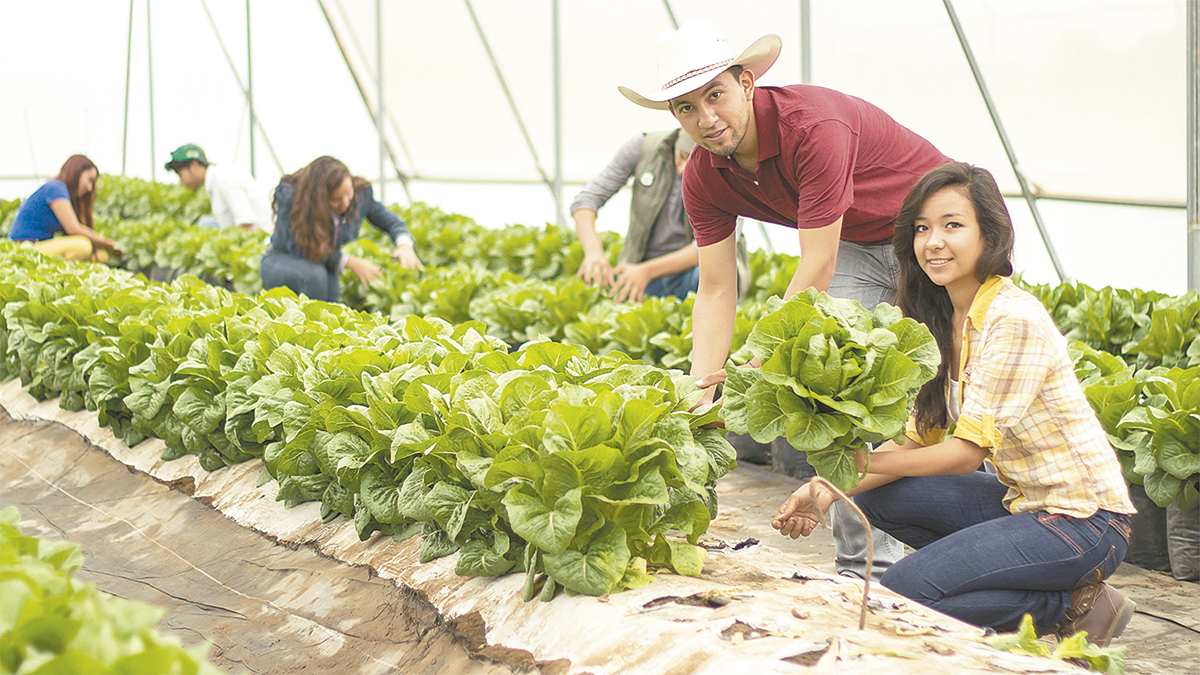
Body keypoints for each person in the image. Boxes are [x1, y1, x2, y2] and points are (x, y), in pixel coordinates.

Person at [621, 18, 950, 579]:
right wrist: (703, 387)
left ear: (747, 82)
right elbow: (718, 288)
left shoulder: (812, 126)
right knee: (846, 389)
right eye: (686, 108)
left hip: (929, 240)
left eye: (716, 95)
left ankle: (1030, 537)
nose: (707, 119)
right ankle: (864, 567)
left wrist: (750, 367)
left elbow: (816, 263)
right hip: (855, 240)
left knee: (949, 402)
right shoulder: (703, 176)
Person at [773, 162, 1137, 646]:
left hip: (1085, 522)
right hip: (1024, 504)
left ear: (990, 235)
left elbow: (966, 455)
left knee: (906, 588)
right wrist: (827, 487)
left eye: (952, 225)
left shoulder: (1013, 318)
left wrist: (856, 461)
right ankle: (1024, 579)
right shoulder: (943, 319)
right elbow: (916, 436)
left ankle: (1070, 606)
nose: (933, 241)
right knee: (876, 494)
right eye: (922, 228)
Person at [571, 129, 750, 302]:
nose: (683, 170)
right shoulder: (644, 147)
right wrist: (594, 252)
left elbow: (719, 241)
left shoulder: (731, 166)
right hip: (641, 273)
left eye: (695, 162)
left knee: (717, 272)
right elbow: (586, 200)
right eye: (682, 156)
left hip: (694, 275)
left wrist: (647, 271)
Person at [260, 155, 422, 303]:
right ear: (318, 198)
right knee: (314, 277)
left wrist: (404, 244)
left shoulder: (361, 195)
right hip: (281, 259)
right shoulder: (292, 198)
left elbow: (390, 222)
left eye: (348, 193)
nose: (345, 202)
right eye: (336, 199)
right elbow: (298, 247)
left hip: (321, 263)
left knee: (331, 300)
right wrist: (350, 262)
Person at [8, 154, 119, 262]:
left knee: (101, 256)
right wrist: (108, 243)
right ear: (76, 173)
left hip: (39, 246)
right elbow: (73, 229)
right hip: (23, 248)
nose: (90, 188)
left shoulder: (62, 192)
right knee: (82, 246)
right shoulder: (56, 188)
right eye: (89, 180)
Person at [165, 144, 273, 232]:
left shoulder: (225, 179)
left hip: (263, 241)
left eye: (180, 175)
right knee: (206, 222)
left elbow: (246, 224)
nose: (181, 182)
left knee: (205, 225)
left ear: (194, 165)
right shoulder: (215, 181)